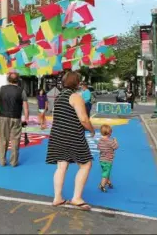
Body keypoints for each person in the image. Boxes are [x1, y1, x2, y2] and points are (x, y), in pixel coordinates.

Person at [46, 71, 96, 210]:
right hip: (73, 135)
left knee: (61, 166)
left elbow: (56, 116)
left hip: (57, 135)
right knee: (86, 164)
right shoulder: (75, 97)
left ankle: (57, 198)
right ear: (77, 83)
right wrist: (92, 130)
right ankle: (76, 198)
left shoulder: (59, 97)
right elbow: (84, 119)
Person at [0, 72, 29, 167]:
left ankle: (2, 161)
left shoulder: (1, 89)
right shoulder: (22, 91)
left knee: (3, 139)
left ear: (8, 79)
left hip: (3, 116)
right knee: (15, 140)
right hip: (16, 118)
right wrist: (26, 119)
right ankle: (14, 162)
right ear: (18, 80)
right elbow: (26, 107)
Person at [97, 124, 118, 193]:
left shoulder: (100, 140)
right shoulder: (110, 141)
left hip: (101, 159)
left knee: (106, 171)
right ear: (110, 133)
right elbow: (116, 147)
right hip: (108, 160)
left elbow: (98, 147)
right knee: (105, 173)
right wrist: (115, 141)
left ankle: (108, 182)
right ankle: (102, 185)